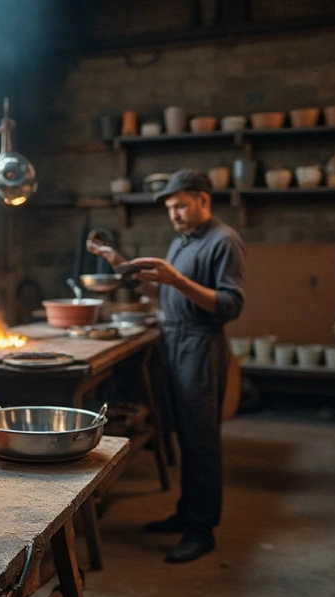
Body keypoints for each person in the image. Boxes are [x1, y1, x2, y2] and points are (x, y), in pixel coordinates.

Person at [86, 169, 245, 563]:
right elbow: (158, 289)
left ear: (203, 201)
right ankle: (187, 512)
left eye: (179, 206)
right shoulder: (181, 242)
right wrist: (118, 262)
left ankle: (201, 529)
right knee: (183, 434)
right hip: (173, 339)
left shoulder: (224, 242)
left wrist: (176, 279)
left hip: (200, 342)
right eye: (170, 208)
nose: (173, 214)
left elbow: (230, 305)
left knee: (201, 438)